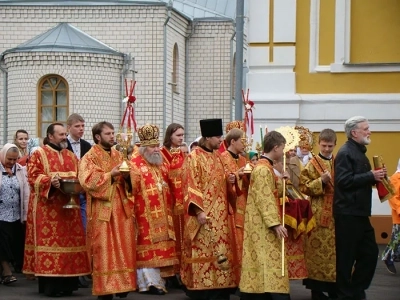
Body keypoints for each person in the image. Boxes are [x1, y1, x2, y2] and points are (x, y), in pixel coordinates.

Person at [23, 123, 91, 297]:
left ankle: (69, 285)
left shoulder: (71, 155)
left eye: (65, 134)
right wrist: (49, 182)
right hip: (48, 209)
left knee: (71, 243)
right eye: (61, 134)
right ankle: (51, 287)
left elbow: (80, 176)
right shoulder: (39, 153)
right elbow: (33, 176)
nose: (64, 137)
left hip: (70, 209)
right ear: (50, 136)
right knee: (50, 245)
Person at [78, 121, 137, 300]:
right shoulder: (89, 157)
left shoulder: (120, 154)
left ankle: (123, 285)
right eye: (108, 134)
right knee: (104, 248)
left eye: (113, 133)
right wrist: (110, 175)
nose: (112, 136)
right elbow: (87, 181)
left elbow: (135, 177)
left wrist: (128, 177)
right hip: (101, 210)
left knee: (124, 247)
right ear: (98, 136)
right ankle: (105, 288)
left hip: (122, 208)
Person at [181, 118, 238, 300]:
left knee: (219, 253)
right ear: (207, 137)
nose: (221, 140)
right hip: (203, 216)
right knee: (204, 252)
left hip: (220, 218)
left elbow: (223, 183)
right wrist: (199, 211)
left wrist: (230, 182)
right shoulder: (193, 158)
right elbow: (191, 185)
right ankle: (203, 291)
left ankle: (221, 290)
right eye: (217, 137)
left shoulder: (217, 157)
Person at [334, 116, 382, 300]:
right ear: (354, 133)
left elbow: (358, 180)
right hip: (347, 213)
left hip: (359, 213)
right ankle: (346, 295)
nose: (369, 131)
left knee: (370, 253)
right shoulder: (346, 152)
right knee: (346, 259)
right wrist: (371, 176)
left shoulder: (359, 152)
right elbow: (343, 181)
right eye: (366, 129)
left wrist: (376, 178)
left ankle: (355, 290)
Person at [240, 131, 290, 300]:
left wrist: (283, 180)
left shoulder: (267, 167)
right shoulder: (262, 169)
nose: (283, 152)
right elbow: (264, 198)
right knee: (267, 259)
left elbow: (274, 193)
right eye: (282, 148)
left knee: (265, 260)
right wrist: (275, 224)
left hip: (264, 221)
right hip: (263, 224)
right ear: (275, 148)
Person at [130, 124, 178, 295]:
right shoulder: (134, 164)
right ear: (143, 147)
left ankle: (160, 280)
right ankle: (148, 282)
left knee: (161, 246)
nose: (156, 149)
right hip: (143, 214)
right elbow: (129, 190)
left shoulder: (162, 162)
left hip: (163, 211)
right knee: (146, 246)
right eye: (152, 146)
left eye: (157, 145)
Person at [300, 129, 338, 300]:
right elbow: (303, 186)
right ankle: (316, 289)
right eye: (324, 146)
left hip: (336, 214)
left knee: (335, 252)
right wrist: (320, 182)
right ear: (318, 144)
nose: (327, 149)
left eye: (330, 146)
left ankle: (334, 286)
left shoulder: (338, 162)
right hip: (318, 211)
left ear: (335, 145)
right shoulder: (312, 163)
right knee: (317, 251)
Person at [66, 113, 92, 288]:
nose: (81, 129)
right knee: (69, 233)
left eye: (83, 126)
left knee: (84, 231)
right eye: (77, 126)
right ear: (69, 127)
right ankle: (70, 271)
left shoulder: (87, 145)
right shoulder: (63, 145)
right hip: (67, 192)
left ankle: (83, 270)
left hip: (82, 192)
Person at [220, 127, 248, 278]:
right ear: (232, 141)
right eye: (242, 141)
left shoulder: (244, 159)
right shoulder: (222, 158)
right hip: (230, 206)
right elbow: (220, 181)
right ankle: (232, 275)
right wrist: (237, 175)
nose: (244, 145)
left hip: (244, 204)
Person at [0, 144, 30, 284]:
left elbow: (25, 194)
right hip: (1, 214)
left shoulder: (20, 170)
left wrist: (25, 215)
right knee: (2, 243)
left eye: (14, 159)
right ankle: (7, 272)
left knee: (14, 243)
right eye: (9, 159)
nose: (12, 162)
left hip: (15, 214)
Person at [160, 123, 185, 287]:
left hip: (181, 199)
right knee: (171, 236)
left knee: (181, 235)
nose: (181, 138)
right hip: (167, 200)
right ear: (170, 136)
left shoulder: (182, 154)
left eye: (183, 135)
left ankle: (181, 271)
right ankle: (169, 273)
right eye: (178, 135)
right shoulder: (162, 154)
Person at [381, 158, 400, 274]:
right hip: (399, 217)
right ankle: (388, 257)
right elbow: (393, 196)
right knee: (397, 239)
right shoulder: (396, 178)